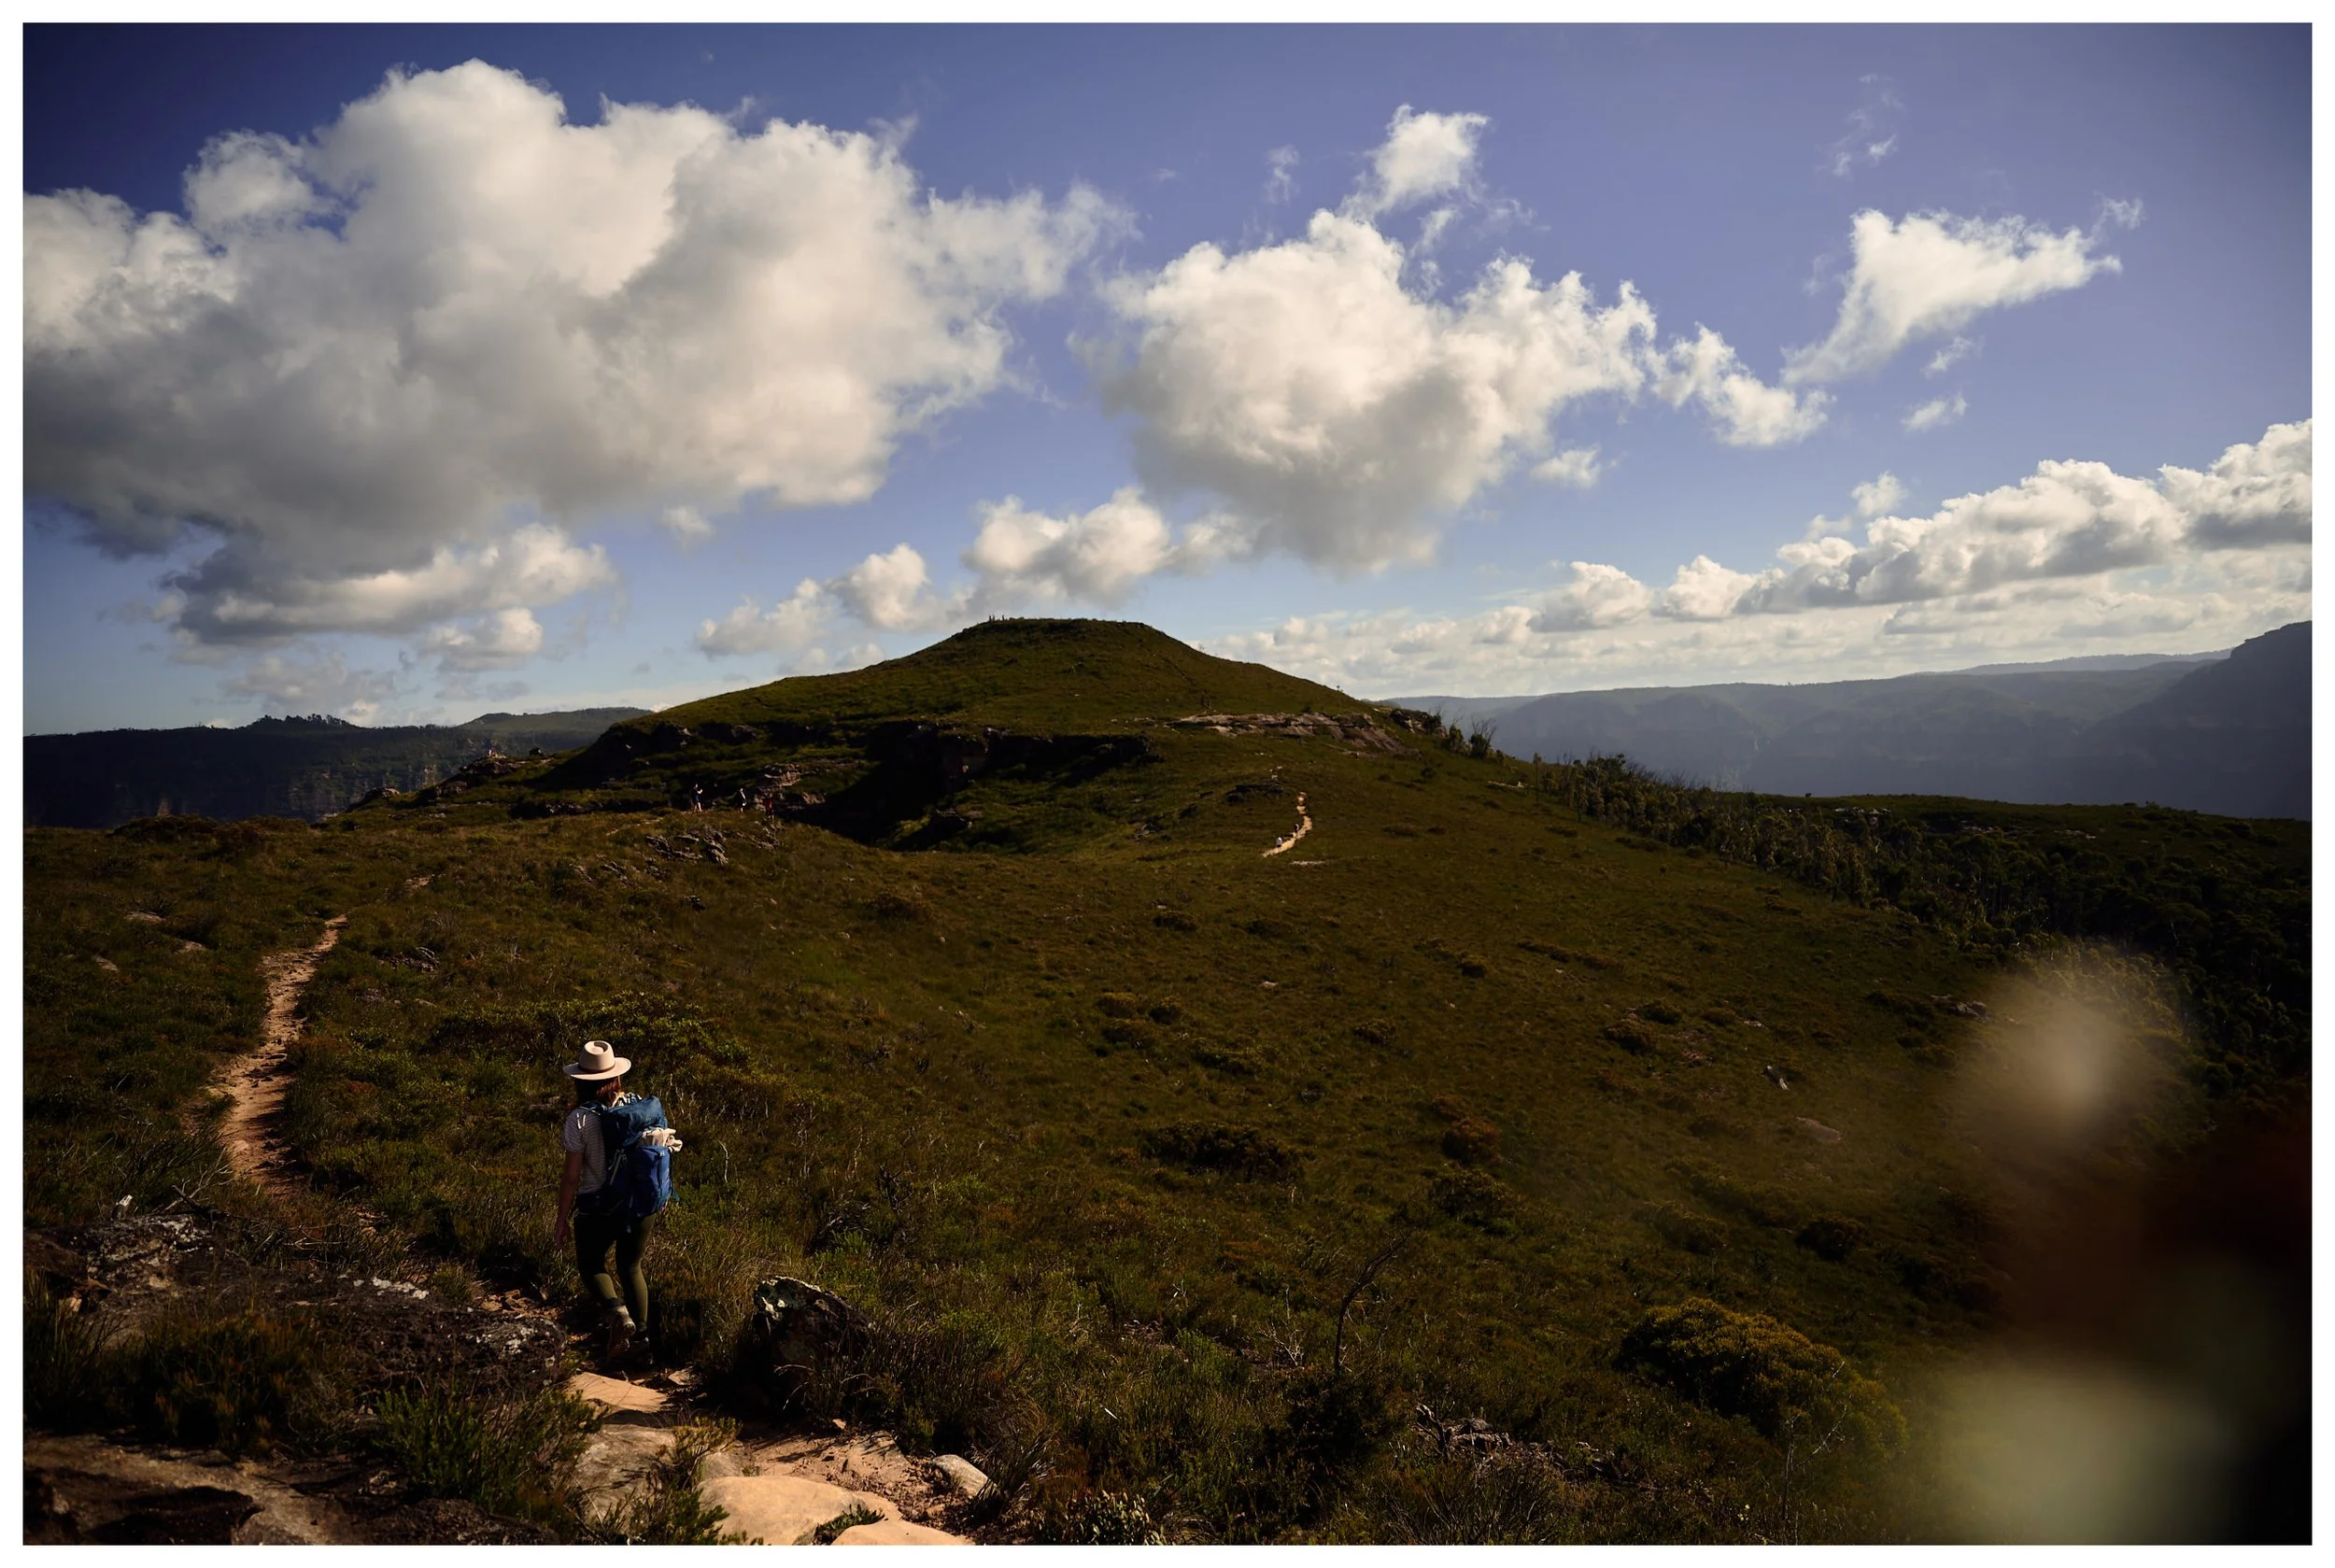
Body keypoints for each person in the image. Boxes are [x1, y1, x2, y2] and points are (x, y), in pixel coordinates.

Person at [556, 1039, 657, 1361]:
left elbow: (572, 1177)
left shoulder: (579, 1120)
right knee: (631, 1266)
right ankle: (642, 1342)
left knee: (590, 1264)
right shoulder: (638, 1107)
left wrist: (561, 1218)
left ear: (579, 1081)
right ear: (615, 1076)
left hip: (597, 1205)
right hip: (640, 1202)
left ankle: (617, 1315)